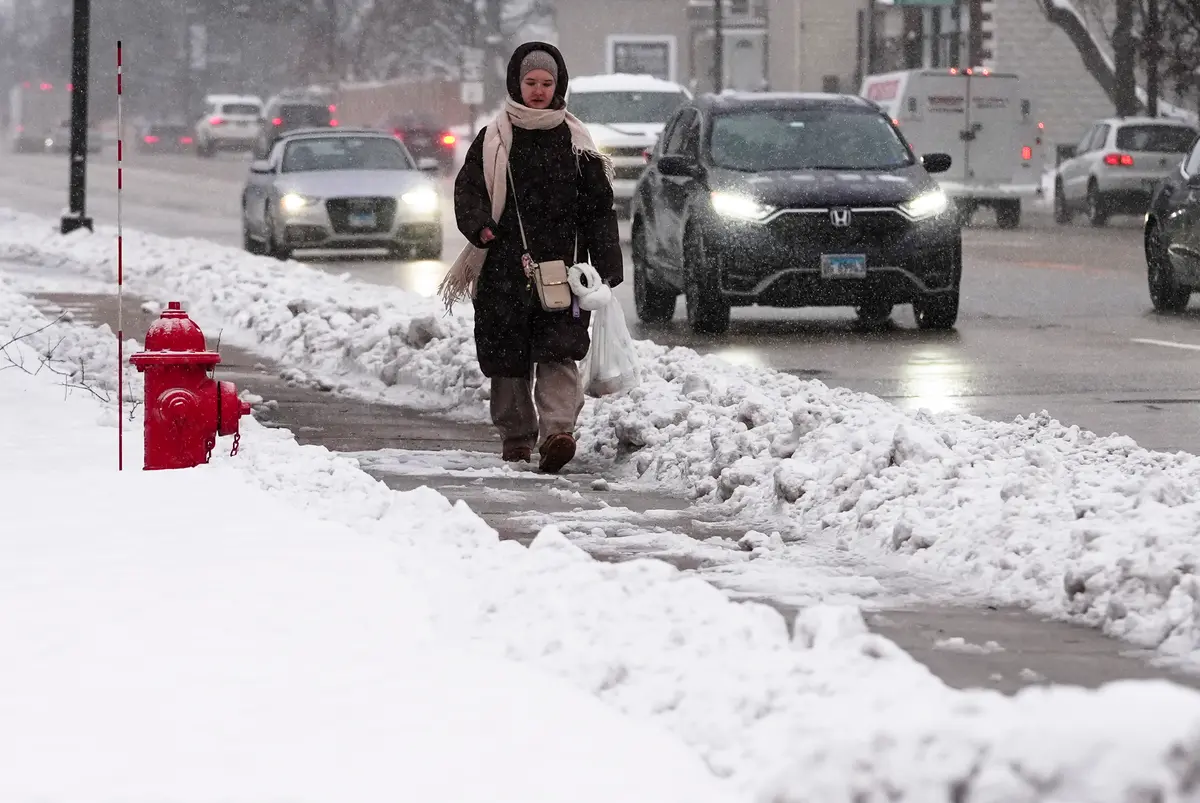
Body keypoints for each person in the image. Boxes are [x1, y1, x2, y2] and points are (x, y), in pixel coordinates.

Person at [441, 42, 622, 474]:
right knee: (508, 357)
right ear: (516, 84)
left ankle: (558, 433)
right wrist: (481, 226)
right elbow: (469, 190)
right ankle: (517, 438)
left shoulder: (577, 142)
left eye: (547, 83)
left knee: (559, 350)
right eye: (531, 82)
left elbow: (598, 207)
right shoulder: (493, 139)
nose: (539, 91)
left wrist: (606, 264)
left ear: (558, 86)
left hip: (563, 268)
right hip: (504, 267)